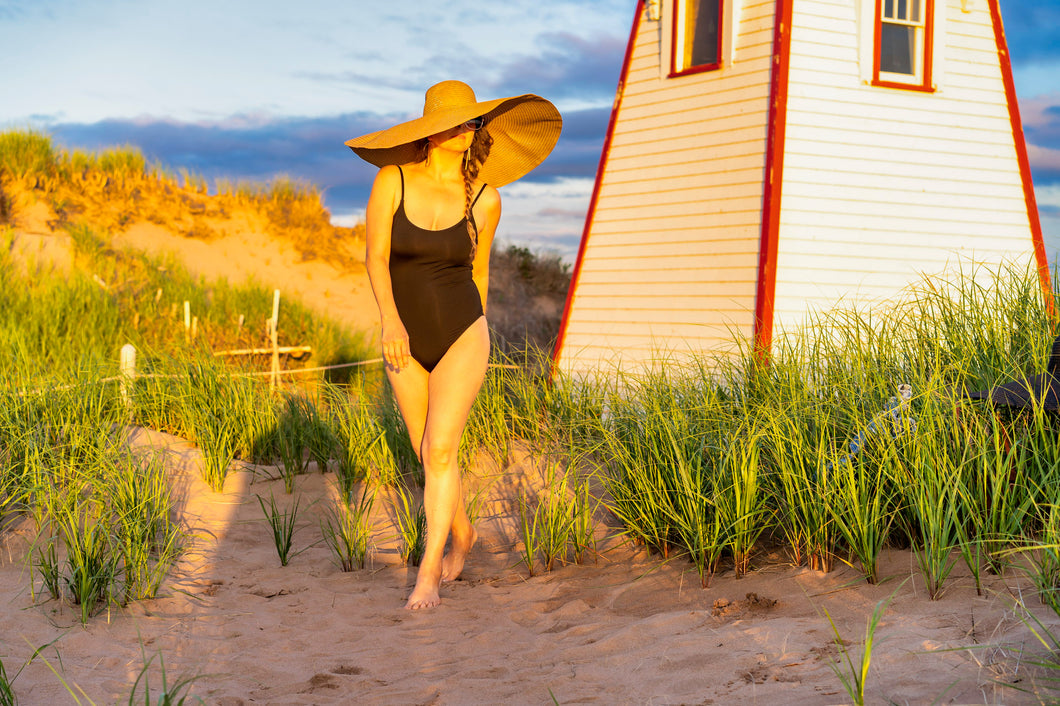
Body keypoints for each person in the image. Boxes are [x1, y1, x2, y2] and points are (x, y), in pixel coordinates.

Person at [345, 80, 561, 609]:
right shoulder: (391, 181)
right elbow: (375, 259)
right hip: (403, 335)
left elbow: (479, 273)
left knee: (442, 449)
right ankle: (462, 532)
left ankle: (429, 573)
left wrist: (477, 334)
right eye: (459, 121)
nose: (468, 130)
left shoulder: (487, 198)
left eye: (474, 122)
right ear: (431, 129)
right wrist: (390, 323)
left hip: (464, 331)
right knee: (427, 452)